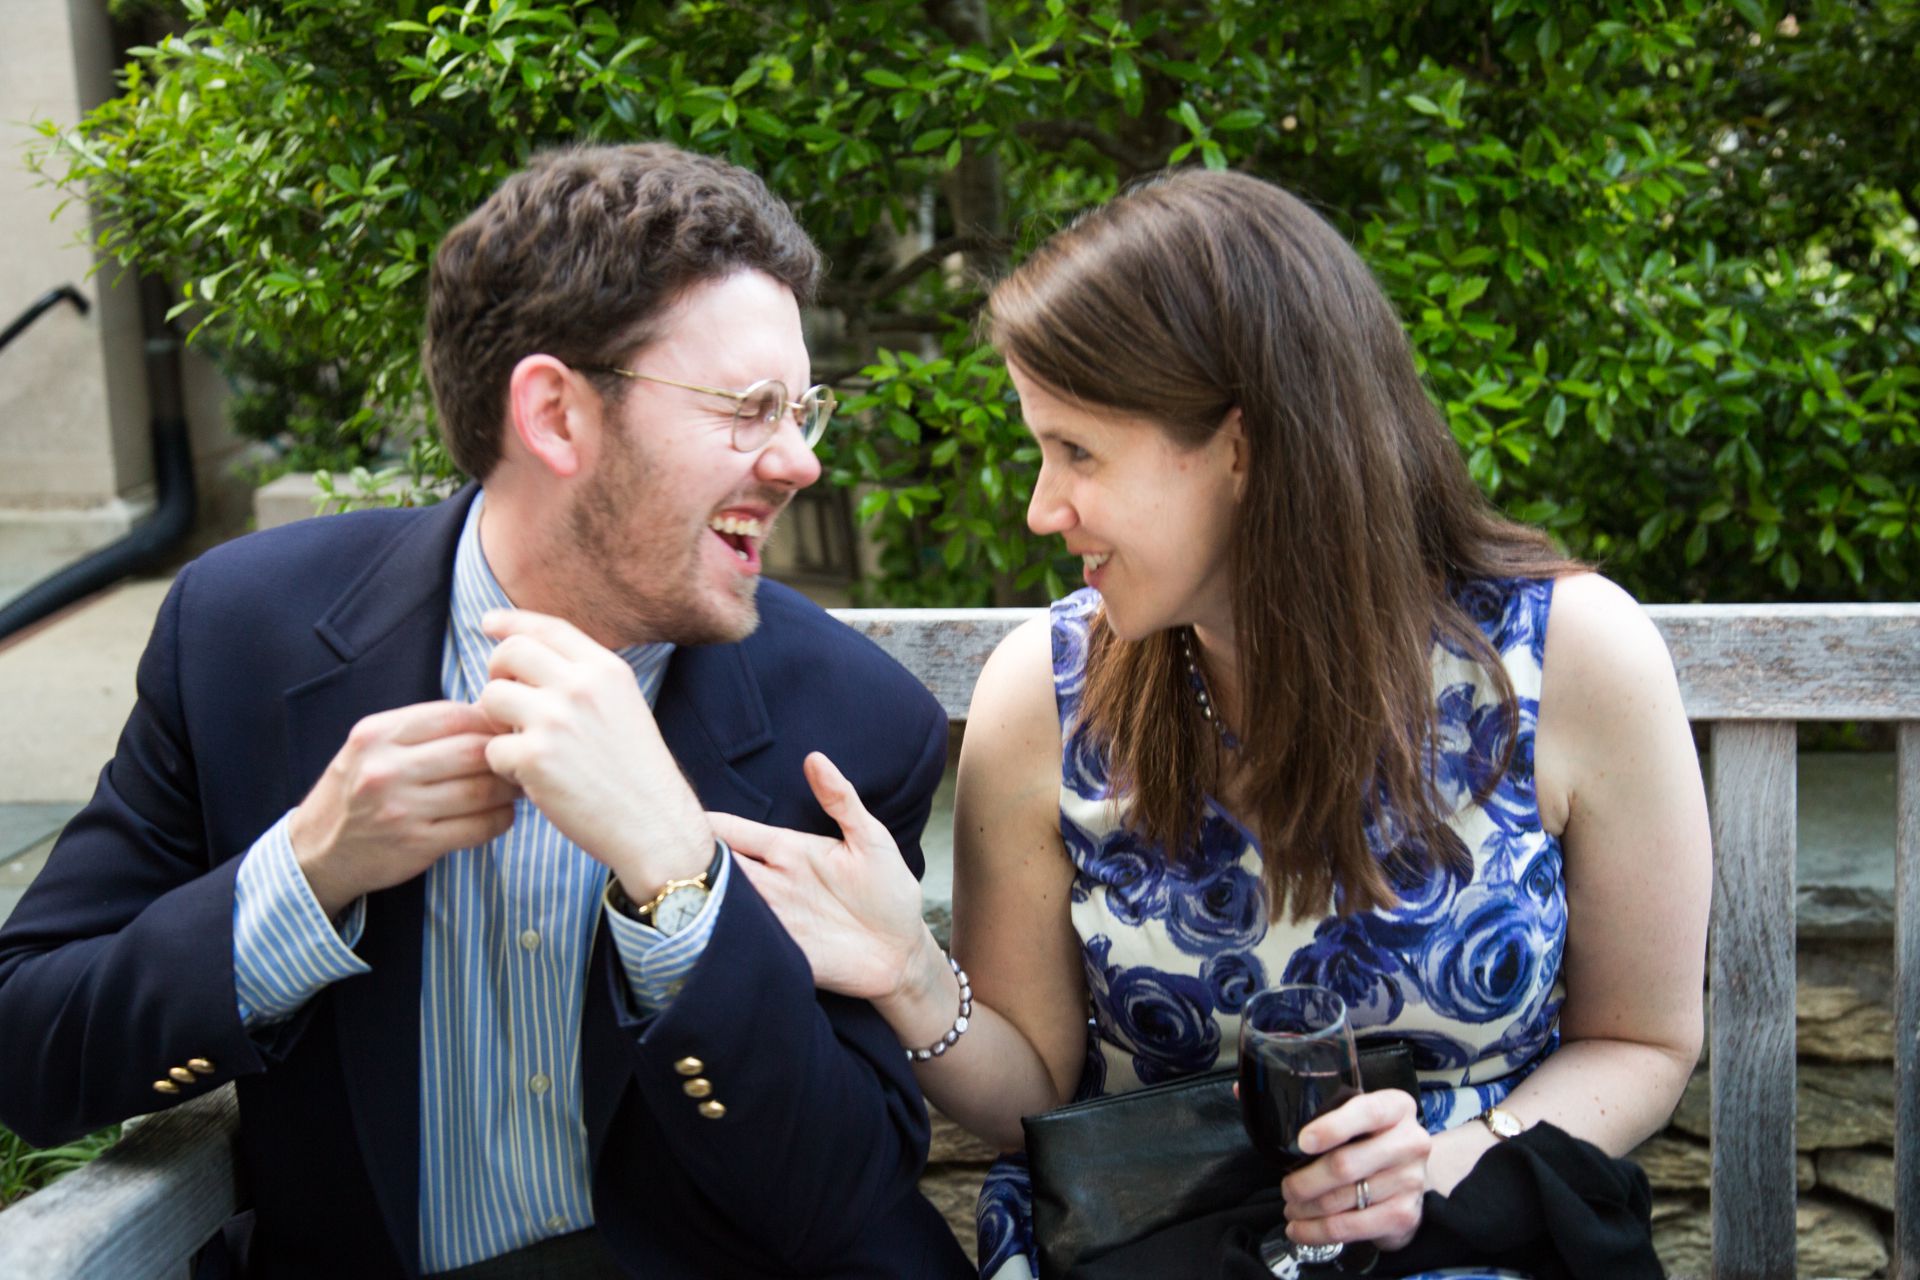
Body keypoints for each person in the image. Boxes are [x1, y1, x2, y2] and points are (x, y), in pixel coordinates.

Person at [0, 143, 974, 1279]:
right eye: (750, 408)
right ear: (555, 414)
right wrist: (302, 878)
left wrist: (681, 880)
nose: (799, 461)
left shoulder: (851, 723)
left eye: (802, 410)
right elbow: (28, 1045)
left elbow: (842, 1198)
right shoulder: (243, 636)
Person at [717, 170, 1711, 1277]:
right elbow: (1031, 1098)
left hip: (1463, 1232)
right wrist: (907, 968)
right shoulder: (1046, 695)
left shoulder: (1568, 660)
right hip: (1155, 1249)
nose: (1042, 509)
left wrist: (1446, 1164)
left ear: (1242, 446)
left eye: (1078, 451)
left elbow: (1642, 1040)